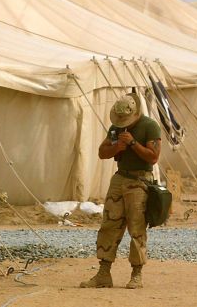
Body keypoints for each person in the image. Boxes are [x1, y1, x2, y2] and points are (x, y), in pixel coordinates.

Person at [80, 92, 161, 290]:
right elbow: (102, 153)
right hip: (120, 178)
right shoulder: (116, 128)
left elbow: (153, 157)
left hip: (140, 180)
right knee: (109, 224)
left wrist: (133, 143)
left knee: (136, 227)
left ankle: (136, 273)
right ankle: (103, 273)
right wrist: (118, 146)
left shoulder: (150, 126)